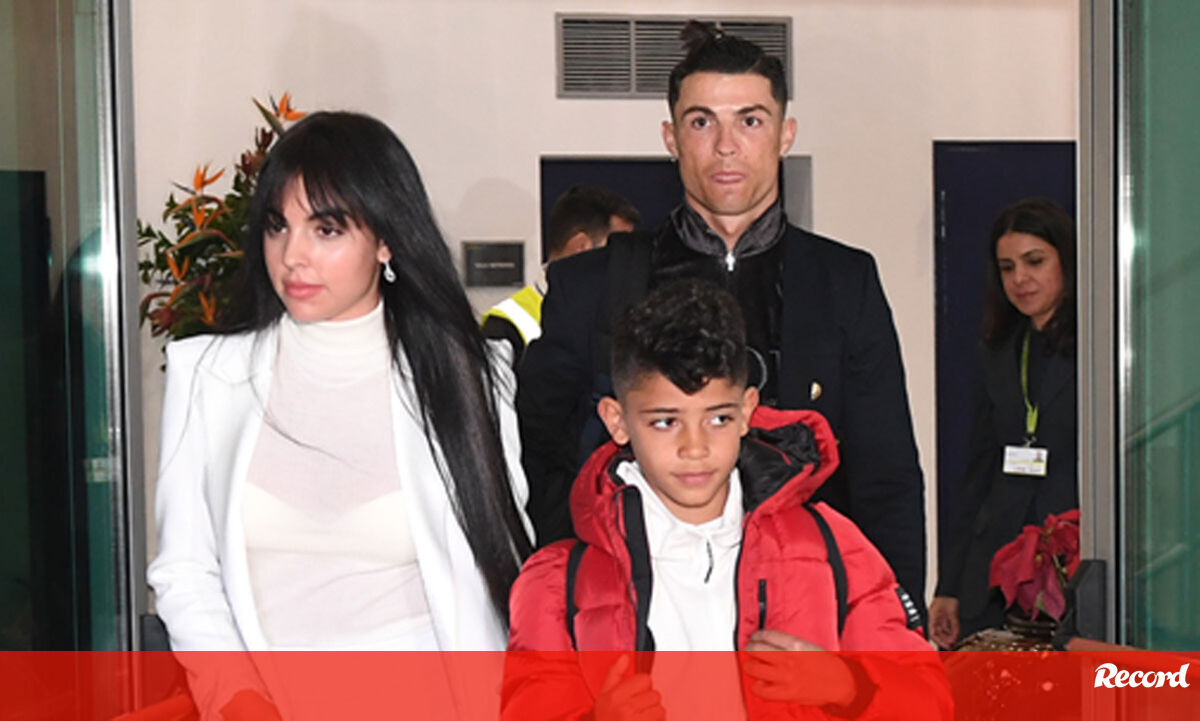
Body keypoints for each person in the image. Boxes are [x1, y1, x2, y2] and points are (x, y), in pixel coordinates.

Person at [517, 21, 927, 617]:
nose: (726, 145)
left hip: (803, 609)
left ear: (785, 134)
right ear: (671, 137)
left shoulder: (844, 281)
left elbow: (886, 473)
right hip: (638, 607)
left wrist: (892, 622)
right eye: (702, 122)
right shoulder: (592, 285)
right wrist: (576, 602)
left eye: (750, 121)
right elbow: (538, 456)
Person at [147, 111, 533, 716]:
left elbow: (505, 566)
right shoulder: (208, 376)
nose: (292, 256)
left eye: (326, 229)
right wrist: (240, 700)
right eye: (278, 226)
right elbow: (184, 571)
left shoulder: (469, 379)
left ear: (385, 240)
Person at [504, 279, 949, 721]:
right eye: (665, 422)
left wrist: (851, 688)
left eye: (717, 418)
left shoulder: (832, 546)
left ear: (748, 410)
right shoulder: (557, 583)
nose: (694, 448)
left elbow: (931, 703)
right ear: (617, 421)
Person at [929, 197, 1078, 648]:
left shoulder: (1100, 344)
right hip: (996, 563)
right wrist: (949, 585)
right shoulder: (999, 349)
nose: (1020, 279)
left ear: (1066, 261)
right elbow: (977, 473)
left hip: (1073, 560)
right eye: (1007, 267)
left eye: (1035, 262)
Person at [481, 184, 640, 367]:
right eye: (615, 251)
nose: (624, 261)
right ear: (581, 246)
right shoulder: (505, 324)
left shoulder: (627, 314)